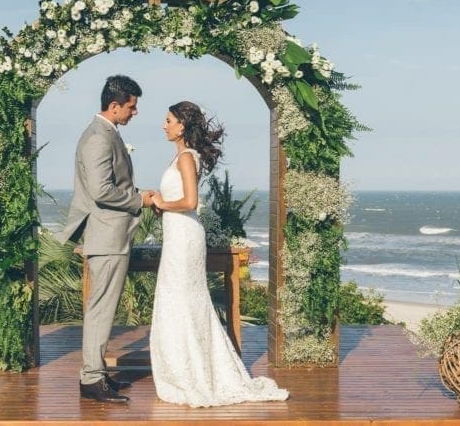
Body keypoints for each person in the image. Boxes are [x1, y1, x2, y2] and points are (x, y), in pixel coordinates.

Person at [149, 101, 289, 407]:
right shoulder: (184, 157)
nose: (164, 124)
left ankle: (196, 374)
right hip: (178, 235)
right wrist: (160, 201)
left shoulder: (187, 158)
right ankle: (187, 368)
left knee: (184, 298)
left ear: (182, 126)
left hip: (185, 236)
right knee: (180, 299)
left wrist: (159, 202)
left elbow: (189, 201)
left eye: (168, 120)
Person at [55, 74, 157, 404]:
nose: (135, 113)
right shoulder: (98, 138)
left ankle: (96, 375)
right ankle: (91, 379)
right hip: (107, 237)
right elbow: (101, 191)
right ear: (114, 106)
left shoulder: (105, 133)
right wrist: (139, 200)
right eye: (132, 107)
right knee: (100, 311)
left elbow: (114, 185)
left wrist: (139, 193)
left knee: (103, 310)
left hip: (111, 235)